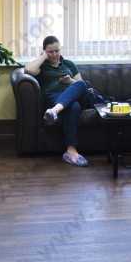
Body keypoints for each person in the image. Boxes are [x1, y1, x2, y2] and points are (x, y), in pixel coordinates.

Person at [25, 36, 90, 167]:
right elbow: (29, 70)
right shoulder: (42, 66)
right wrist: (43, 57)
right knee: (74, 107)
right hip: (53, 96)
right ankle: (71, 151)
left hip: (72, 94)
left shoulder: (69, 64)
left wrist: (70, 81)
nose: (54, 54)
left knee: (81, 85)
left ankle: (54, 111)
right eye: (50, 52)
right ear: (44, 51)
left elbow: (81, 85)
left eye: (57, 51)